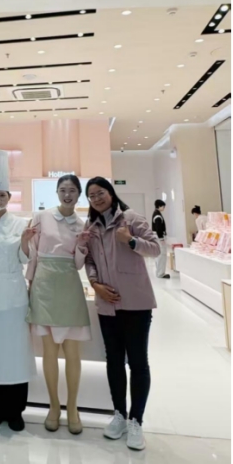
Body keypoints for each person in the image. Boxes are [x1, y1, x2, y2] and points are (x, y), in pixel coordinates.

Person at [80, 177, 160, 452]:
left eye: (100, 193)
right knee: (113, 361)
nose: (96, 198)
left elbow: (155, 248)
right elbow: (89, 260)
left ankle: (136, 420)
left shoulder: (131, 218)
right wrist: (95, 284)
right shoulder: (91, 227)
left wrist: (131, 241)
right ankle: (119, 415)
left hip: (136, 303)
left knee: (137, 362)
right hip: (107, 305)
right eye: (91, 196)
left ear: (111, 193)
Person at [26, 174, 91, 436]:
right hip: (43, 285)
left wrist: (83, 246)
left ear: (78, 194)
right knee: (49, 351)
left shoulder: (82, 224)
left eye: (72, 190)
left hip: (69, 285)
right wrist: (30, 283)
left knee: (73, 352)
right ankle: (53, 406)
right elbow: (32, 252)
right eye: (63, 190)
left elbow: (78, 264)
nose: (67, 194)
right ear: (56, 192)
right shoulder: (41, 217)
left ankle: (73, 408)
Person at [0, 150, 36, 432]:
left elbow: (25, 258)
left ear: (10, 197)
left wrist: (24, 241)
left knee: (15, 353)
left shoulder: (21, 224)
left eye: (2, 195)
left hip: (14, 294)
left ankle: (16, 411)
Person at [152, 200, 170, 279]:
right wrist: (161, 239)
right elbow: (158, 228)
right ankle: (160, 273)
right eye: (163, 206)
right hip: (159, 237)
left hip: (156, 237)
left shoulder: (156, 213)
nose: (164, 208)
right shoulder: (158, 216)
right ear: (159, 206)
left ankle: (159, 272)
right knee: (162, 255)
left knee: (158, 255)